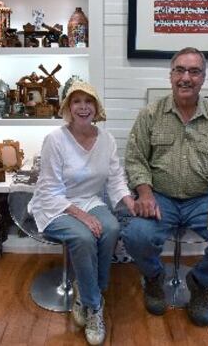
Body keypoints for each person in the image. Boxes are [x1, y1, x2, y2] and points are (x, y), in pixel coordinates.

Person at [122, 47, 208, 326]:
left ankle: (200, 283)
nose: (186, 77)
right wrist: (144, 192)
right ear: (170, 76)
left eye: (194, 71)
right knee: (136, 236)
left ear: (203, 78)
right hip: (160, 198)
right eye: (180, 70)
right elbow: (135, 160)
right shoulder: (150, 114)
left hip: (203, 200)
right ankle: (154, 277)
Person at [28, 81, 134, 345]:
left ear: (96, 108)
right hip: (55, 204)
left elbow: (115, 179)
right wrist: (82, 216)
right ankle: (94, 305)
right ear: (68, 107)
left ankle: (87, 291)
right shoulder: (55, 140)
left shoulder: (106, 140)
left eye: (89, 101)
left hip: (90, 199)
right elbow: (50, 188)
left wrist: (130, 201)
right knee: (84, 237)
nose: (83, 107)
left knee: (111, 228)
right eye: (77, 101)